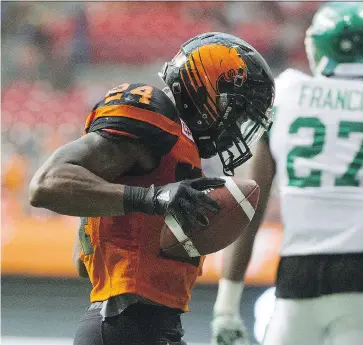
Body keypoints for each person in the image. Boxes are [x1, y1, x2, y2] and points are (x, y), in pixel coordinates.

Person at [211, 3, 363, 345]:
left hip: (297, 271)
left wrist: (225, 307)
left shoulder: (286, 95)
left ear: (319, 46)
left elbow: (249, 208)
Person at [28, 32, 275, 345]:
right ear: (205, 89)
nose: (236, 124)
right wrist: (152, 198)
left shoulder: (178, 143)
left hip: (150, 326)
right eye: (235, 108)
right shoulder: (151, 111)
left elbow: (82, 259)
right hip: (125, 323)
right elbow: (46, 184)